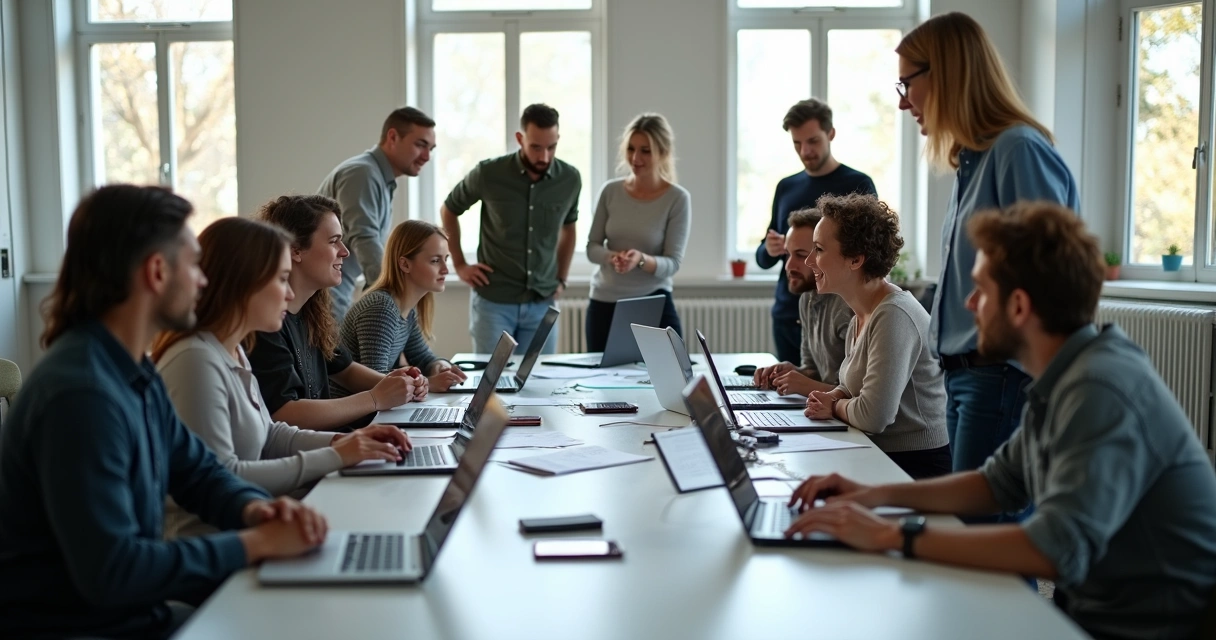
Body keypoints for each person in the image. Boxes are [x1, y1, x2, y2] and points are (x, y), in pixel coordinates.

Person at [785, 202, 1216, 640]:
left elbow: (1054, 547)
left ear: (1019, 306)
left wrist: (893, 535)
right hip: (1099, 613)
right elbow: (996, 484)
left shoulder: (1099, 389)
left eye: (980, 291)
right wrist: (871, 494)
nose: (969, 304)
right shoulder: (1069, 374)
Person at [0, 185, 328, 640]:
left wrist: (256, 511)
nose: (204, 281)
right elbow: (113, 570)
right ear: (157, 271)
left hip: (133, 616)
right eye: (193, 265)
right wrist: (253, 544)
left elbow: (199, 473)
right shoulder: (81, 394)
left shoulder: (133, 370)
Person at [896, 12, 1079, 475]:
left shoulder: (1017, 150)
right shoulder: (972, 161)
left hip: (1000, 371)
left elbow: (1050, 271)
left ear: (944, 73)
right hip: (965, 373)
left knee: (979, 526)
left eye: (906, 85)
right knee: (968, 521)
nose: (904, 103)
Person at [153, 217, 412, 538]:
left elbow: (271, 435)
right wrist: (336, 455)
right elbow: (225, 475)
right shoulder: (196, 360)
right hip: (220, 546)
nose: (290, 295)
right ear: (244, 283)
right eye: (282, 279)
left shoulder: (234, 350)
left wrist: (343, 442)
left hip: (261, 522)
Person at [800, 193, 951, 479]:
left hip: (916, 467)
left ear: (856, 259)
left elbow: (874, 416)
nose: (809, 261)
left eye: (818, 250)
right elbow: (851, 386)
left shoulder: (894, 315)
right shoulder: (861, 311)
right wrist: (831, 396)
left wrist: (833, 406)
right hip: (883, 454)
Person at [247, 195, 425, 432]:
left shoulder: (311, 312)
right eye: (334, 241)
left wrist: (399, 383)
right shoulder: (265, 323)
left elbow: (345, 370)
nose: (345, 252)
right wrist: (375, 398)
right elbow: (284, 413)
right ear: (296, 250)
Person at [441, 103, 580, 354]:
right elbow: (449, 210)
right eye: (536, 147)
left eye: (551, 147)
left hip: (542, 302)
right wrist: (460, 264)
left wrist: (562, 278)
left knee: (540, 384)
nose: (544, 157)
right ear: (520, 138)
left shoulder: (570, 179)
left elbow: (569, 228)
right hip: (494, 303)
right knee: (491, 385)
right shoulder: (488, 173)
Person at [754, 99, 877, 364]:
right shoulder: (786, 187)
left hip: (839, 313)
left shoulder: (858, 183)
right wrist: (771, 248)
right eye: (797, 143)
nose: (805, 151)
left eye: (812, 141)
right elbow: (763, 258)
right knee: (787, 394)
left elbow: (870, 252)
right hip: (789, 309)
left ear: (830, 134)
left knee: (836, 391)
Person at [319, 106, 436, 323]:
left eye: (431, 148)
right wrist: (394, 299)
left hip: (335, 291)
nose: (427, 156)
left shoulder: (379, 177)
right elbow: (365, 240)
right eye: (420, 145)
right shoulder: (362, 173)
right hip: (324, 294)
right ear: (392, 137)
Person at [584, 113, 690, 351]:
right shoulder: (610, 191)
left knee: (672, 377)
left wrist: (640, 260)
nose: (635, 157)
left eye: (645, 150)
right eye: (631, 148)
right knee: (603, 382)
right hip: (604, 303)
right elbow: (592, 247)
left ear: (662, 153)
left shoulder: (677, 199)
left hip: (653, 302)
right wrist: (612, 257)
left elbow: (672, 262)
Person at [339, 220, 469, 393]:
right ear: (405, 264)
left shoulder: (406, 308)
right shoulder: (381, 308)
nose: (446, 269)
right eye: (435, 260)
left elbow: (422, 357)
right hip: (355, 414)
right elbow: (377, 381)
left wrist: (440, 366)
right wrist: (429, 384)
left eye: (446, 259)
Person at [753, 207, 853, 397]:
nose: (789, 266)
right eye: (787, 255)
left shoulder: (848, 306)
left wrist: (803, 383)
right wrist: (793, 372)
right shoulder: (807, 298)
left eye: (800, 255)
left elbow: (860, 396)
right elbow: (815, 371)